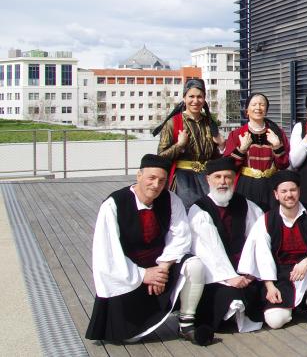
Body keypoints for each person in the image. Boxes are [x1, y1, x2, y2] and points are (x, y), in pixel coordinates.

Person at [85, 154, 211, 345]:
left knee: (194, 265)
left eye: (161, 180)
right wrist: (144, 274)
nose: (156, 185)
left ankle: (186, 324)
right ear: (139, 176)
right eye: (151, 178)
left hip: (160, 267)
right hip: (128, 273)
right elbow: (108, 253)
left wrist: (162, 269)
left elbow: (180, 236)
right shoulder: (114, 205)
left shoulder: (171, 199)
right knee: (128, 339)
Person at [237, 171, 307, 329]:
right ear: (276, 194)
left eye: (293, 190)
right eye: (284, 191)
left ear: (299, 191)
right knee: (275, 321)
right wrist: (270, 286)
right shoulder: (266, 220)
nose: (289, 195)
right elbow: (262, 256)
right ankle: (293, 307)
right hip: (280, 275)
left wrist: (306, 261)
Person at [186, 157, 265, 334]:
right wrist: (230, 277)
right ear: (208, 179)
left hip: (244, 269)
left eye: (228, 177)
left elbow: (257, 239)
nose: (223, 182)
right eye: (218, 177)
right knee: (229, 296)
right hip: (216, 274)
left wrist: (250, 271)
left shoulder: (246, 204)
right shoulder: (199, 210)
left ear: (234, 178)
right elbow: (209, 251)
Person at [155, 78, 223, 208]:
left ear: (204, 99)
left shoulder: (210, 123)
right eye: (191, 96)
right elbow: (160, 157)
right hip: (183, 182)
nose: (195, 101)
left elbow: (215, 157)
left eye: (200, 97)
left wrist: (221, 146)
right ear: (184, 98)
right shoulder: (173, 123)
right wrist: (179, 145)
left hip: (207, 180)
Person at [223, 93, 290, 211]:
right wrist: (242, 149)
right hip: (246, 184)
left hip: (270, 185)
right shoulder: (236, 134)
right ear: (247, 111)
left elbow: (284, 164)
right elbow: (228, 165)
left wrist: (277, 146)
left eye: (262, 104)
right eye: (254, 104)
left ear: (266, 110)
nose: (258, 108)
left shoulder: (277, 133)